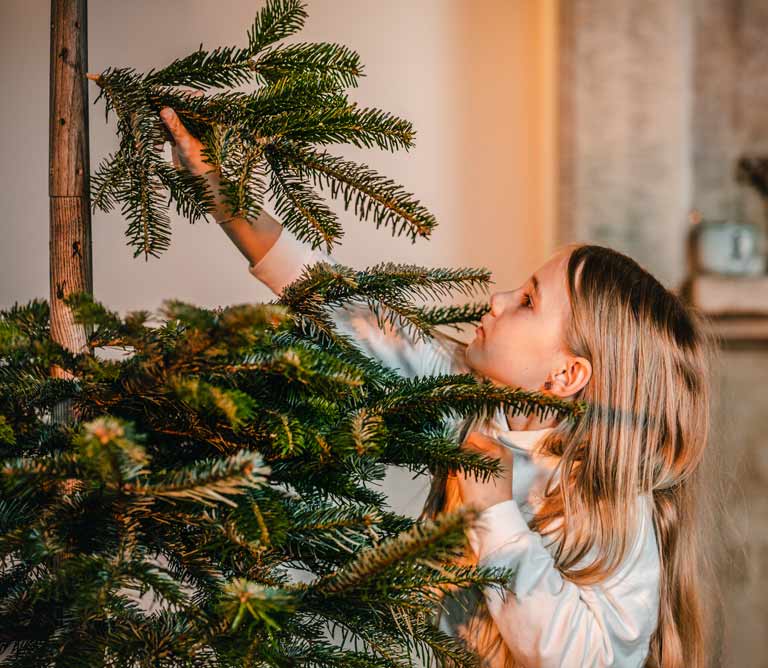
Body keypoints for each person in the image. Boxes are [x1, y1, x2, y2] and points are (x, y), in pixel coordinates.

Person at [158, 106, 715, 668]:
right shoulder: (457, 402)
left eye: (527, 302)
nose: (496, 301)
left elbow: (587, 659)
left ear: (566, 375)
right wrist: (217, 188)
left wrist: (493, 511)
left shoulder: (611, 505)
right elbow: (336, 302)